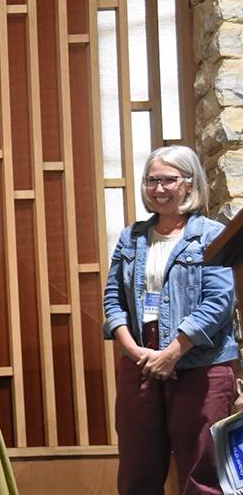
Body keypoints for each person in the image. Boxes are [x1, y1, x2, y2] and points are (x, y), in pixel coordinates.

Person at [103, 145, 237, 495]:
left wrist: (173, 352)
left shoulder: (212, 234)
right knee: (137, 469)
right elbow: (113, 298)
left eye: (168, 180)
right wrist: (133, 349)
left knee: (203, 470)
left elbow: (219, 302)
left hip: (200, 361)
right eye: (152, 180)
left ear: (190, 183)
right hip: (140, 360)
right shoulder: (131, 237)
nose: (158, 188)